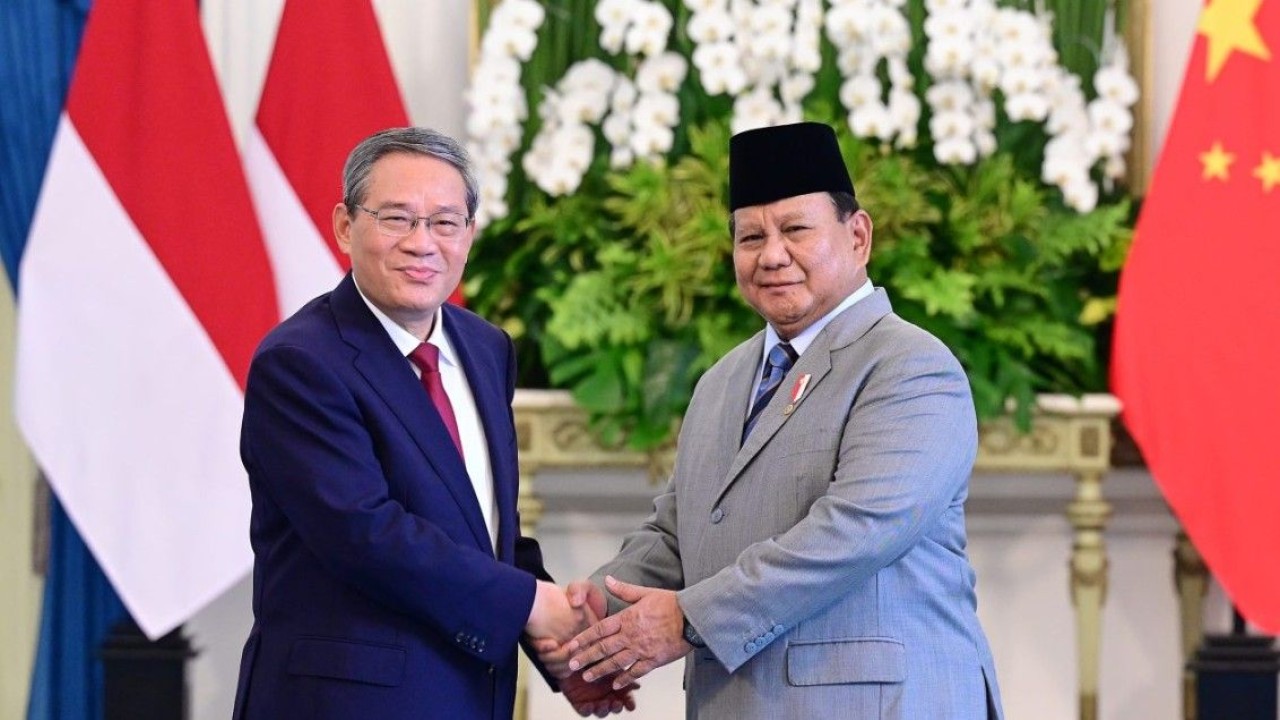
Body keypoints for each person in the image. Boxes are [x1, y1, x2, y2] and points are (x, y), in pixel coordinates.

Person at [547, 121, 1004, 719]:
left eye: (795, 230)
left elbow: (853, 532)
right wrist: (588, 626)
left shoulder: (910, 367)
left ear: (858, 235)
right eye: (750, 237)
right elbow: (676, 535)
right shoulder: (723, 382)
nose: (772, 255)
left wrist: (686, 620)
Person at [232, 127, 634, 720]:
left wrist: (564, 655)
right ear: (346, 225)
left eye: (445, 222)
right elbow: (366, 535)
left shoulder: (485, 348)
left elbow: (491, 532)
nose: (423, 243)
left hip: (471, 696)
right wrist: (531, 604)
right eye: (397, 219)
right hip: (343, 703)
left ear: (469, 234)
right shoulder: (300, 362)